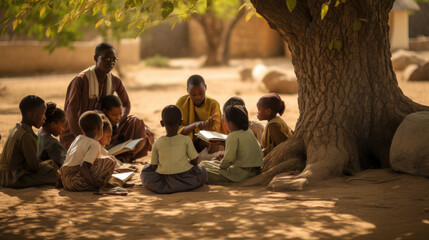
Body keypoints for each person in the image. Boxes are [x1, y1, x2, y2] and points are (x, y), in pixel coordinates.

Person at [60, 42, 152, 160]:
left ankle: (126, 157)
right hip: (81, 130)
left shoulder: (115, 81)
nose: (110, 62)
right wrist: (83, 138)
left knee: (137, 123)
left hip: (105, 129)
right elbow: (71, 111)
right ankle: (105, 154)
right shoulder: (81, 80)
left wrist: (118, 121)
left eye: (114, 59)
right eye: (106, 59)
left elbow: (126, 104)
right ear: (95, 58)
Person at [141, 105, 207, 194]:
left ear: (162, 123)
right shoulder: (186, 139)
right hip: (186, 180)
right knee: (201, 169)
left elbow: (154, 166)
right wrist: (186, 164)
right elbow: (195, 161)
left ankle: (167, 188)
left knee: (146, 170)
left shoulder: (157, 142)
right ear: (181, 123)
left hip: (163, 182)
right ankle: (183, 186)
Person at [0, 95, 58, 188]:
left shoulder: (16, 129)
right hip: (16, 178)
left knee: (49, 165)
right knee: (53, 171)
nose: (45, 118)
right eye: (43, 114)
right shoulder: (26, 135)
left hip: (4, 176)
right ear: (32, 115)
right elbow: (34, 167)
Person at [201, 105, 263, 184]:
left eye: (225, 121)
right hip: (254, 171)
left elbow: (228, 160)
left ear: (230, 123)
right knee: (206, 164)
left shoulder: (233, 136)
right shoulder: (248, 131)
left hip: (240, 175)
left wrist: (221, 166)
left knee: (203, 170)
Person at [58, 111, 116, 191]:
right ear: (99, 128)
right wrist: (94, 184)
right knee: (110, 161)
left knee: (102, 160)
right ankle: (99, 183)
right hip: (76, 182)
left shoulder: (78, 139)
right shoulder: (94, 144)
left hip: (65, 180)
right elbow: (83, 167)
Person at [100, 95, 153, 163]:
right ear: (104, 111)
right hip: (105, 153)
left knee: (136, 121)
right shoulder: (100, 123)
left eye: (120, 114)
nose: (118, 118)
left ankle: (128, 158)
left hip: (120, 149)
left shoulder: (120, 122)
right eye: (114, 115)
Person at [176, 74, 221, 152]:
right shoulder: (181, 103)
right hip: (188, 144)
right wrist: (195, 125)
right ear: (187, 91)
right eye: (193, 95)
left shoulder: (213, 104)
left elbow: (217, 128)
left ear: (205, 88)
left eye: (201, 93)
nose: (198, 97)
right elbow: (176, 129)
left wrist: (209, 127)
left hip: (206, 143)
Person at [37, 102, 67, 167]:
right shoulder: (52, 144)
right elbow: (67, 163)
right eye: (62, 126)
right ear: (53, 124)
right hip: (48, 176)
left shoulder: (37, 136)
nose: (63, 129)